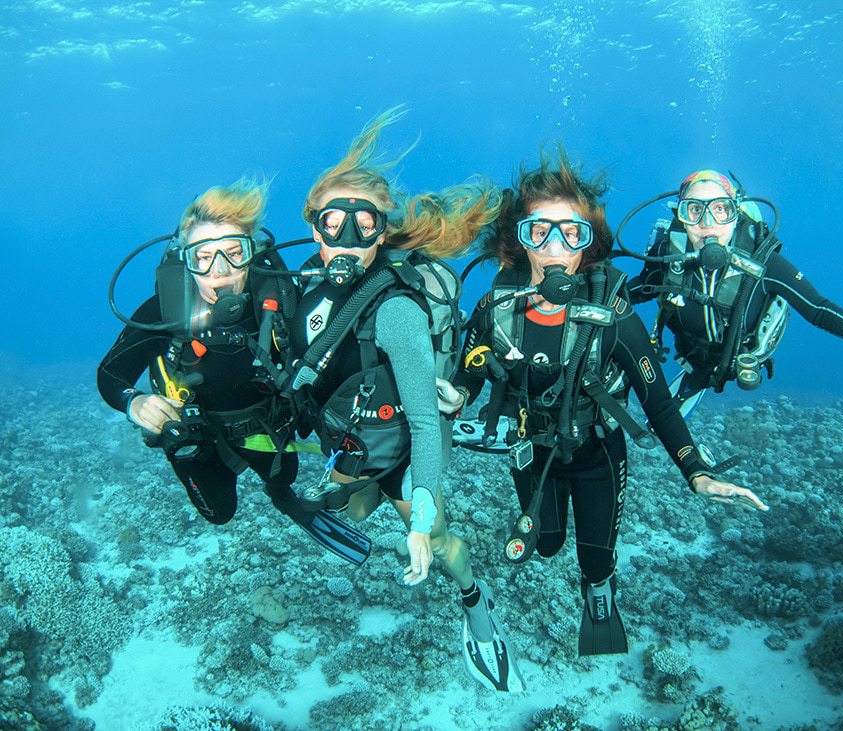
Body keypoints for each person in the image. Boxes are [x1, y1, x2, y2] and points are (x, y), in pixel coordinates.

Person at [444, 151, 768, 658]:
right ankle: (554, 549)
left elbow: (658, 404)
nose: (555, 248)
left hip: (599, 453)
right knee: (546, 545)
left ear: (588, 243)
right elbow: (466, 377)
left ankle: (600, 596)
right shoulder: (494, 311)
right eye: (539, 232)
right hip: (531, 452)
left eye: (571, 234)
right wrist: (449, 397)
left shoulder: (612, 316)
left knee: (595, 562)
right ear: (517, 240)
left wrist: (696, 472)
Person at [285, 108, 525, 692]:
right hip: (352, 440)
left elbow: (420, 418)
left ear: (381, 231)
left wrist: (417, 519)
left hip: (406, 449)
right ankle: (363, 500)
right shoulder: (297, 294)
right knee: (344, 510)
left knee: (438, 543)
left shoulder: (395, 310)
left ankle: (476, 604)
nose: (344, 239)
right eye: (330, 223)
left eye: (362, 225)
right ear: (312, 227)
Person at [97, 180, 352, 546]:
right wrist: (133, 401)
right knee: (219, 513)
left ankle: (277, 492)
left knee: (284, 480)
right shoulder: (165, 313)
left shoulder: (281, 297)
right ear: (186, 259)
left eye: (233, 252)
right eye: (202, 256)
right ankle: (198, 457)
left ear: (251, 252)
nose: (219, 270)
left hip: (266, 423)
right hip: (199, 431)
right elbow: (109, 373)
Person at [627, 170, 843, 416]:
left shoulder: (761, 259)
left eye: (720, 209)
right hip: (690, 352)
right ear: (681, 215)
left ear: (735, 213)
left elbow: (815, 307)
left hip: (741, 354)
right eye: (694, 209)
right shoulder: (668, 252)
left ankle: (699, 380)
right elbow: (641, 288)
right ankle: (696, 378)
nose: (707, 222)